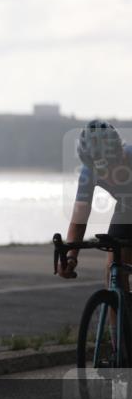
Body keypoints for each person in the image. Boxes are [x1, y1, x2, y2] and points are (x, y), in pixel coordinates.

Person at [58, 120, 132, 297]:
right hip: (127, 208)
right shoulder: (88, 172)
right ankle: (116, 325)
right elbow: (79, 219)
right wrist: (71, 257)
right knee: (113, 271)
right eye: (102, 171)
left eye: (112, 166)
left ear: (121, 153)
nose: (108, 175)